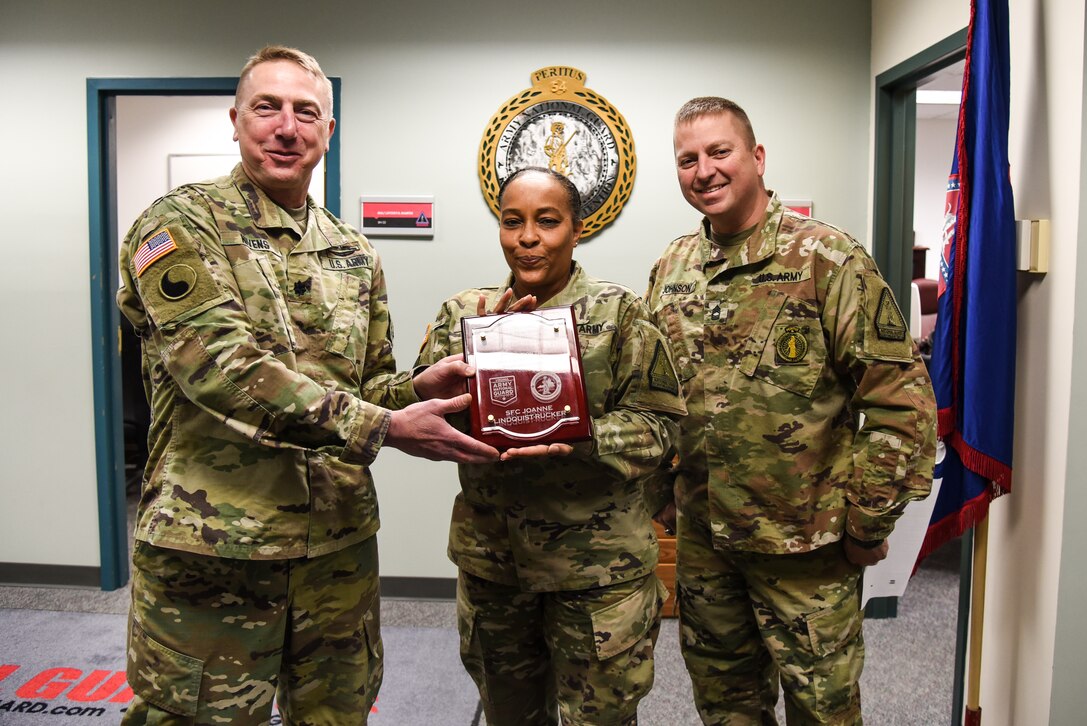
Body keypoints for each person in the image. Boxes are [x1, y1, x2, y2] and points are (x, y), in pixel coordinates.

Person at [115, 46, 501, 725]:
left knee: (336, 715)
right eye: (267, 108)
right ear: (235, 120)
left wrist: (413, 390)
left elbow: (369, 380)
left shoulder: (354, 251)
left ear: (329, 131)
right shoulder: (179, 225)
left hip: (336, 547)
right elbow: (221, 369)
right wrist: (381, 425)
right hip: (215, 548)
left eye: (306, 112)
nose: (286, 127)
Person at [645, 97, 937, 724]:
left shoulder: (827, 261)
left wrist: (867, 526)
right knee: (726, 708)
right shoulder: (672, 269)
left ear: (756, 156)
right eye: (687, 159)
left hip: (807, 549)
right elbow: (658, 395)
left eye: (719, 152)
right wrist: (659, 493)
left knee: (822, 710)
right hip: (706, 545)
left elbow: (900, 407)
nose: (705, 171)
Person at [415, 167, 687, 725]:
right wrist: (453, 386)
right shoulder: (463, 315)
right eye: (512, 222)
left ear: (577, 228)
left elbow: (663, 430)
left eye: (547, 220)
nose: (528, 237)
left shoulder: (620, 317)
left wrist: (580, 432)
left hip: (597, 575)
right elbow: (417, 413)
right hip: (495, 568)